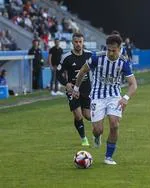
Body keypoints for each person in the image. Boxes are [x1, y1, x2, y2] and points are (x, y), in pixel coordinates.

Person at [72, 34, 137, 165]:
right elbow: (82, 72)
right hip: (97, 96)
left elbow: (133, 84)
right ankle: (97, 136)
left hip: (114, 96)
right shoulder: (96, 58)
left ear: (119, 49)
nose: (110, 53)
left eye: (114, 50)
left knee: (114, 124)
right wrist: (76, 88)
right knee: (98, 129)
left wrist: (125, 97)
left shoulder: (123, 62)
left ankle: (108, 157)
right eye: (109, 49)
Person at [56, 33, 92, 146]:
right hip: (73, 91)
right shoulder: (67, 57)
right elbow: (58, 74)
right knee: (78, 115)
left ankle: (96, 132)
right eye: (76, 42)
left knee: (88, 116)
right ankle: (84, 138)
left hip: (86, 90)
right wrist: (66, 84)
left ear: (83, 42)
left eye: (80, 42)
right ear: (72, 43)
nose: (78, 44)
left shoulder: (89, 55)